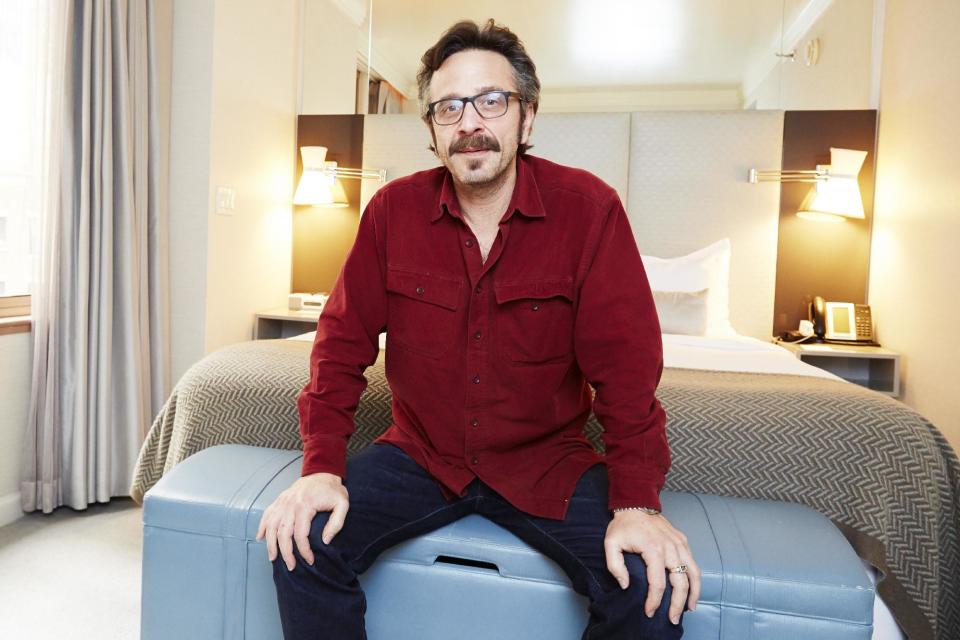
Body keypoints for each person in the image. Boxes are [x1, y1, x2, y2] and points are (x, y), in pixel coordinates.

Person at [257, 19, 700, 639]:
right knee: (300, 540)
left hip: (548, 461)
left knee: (647, 587)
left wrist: (635, 505)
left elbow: (627, 374)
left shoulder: (590, 211)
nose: (470, 122)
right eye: (448, 107)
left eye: (492, 101)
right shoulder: (391, 212)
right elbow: (339, 347)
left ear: (527, 118)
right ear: (433, 132)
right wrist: (321, 469)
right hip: (422, 455)